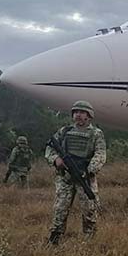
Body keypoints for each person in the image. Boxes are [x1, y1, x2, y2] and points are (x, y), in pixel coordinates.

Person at [44, 100, 107, 244]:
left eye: (82, 112)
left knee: (89, 209)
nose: (78, 115)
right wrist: (55, 160)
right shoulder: (64, 131)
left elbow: (100, 154)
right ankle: (54, 239)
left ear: (88, 115)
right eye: (76, 112)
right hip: (65, 177)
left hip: (85, 177)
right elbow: (50, 148)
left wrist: (89, 170)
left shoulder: (96, 133)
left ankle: (89, 240)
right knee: (60, 208)